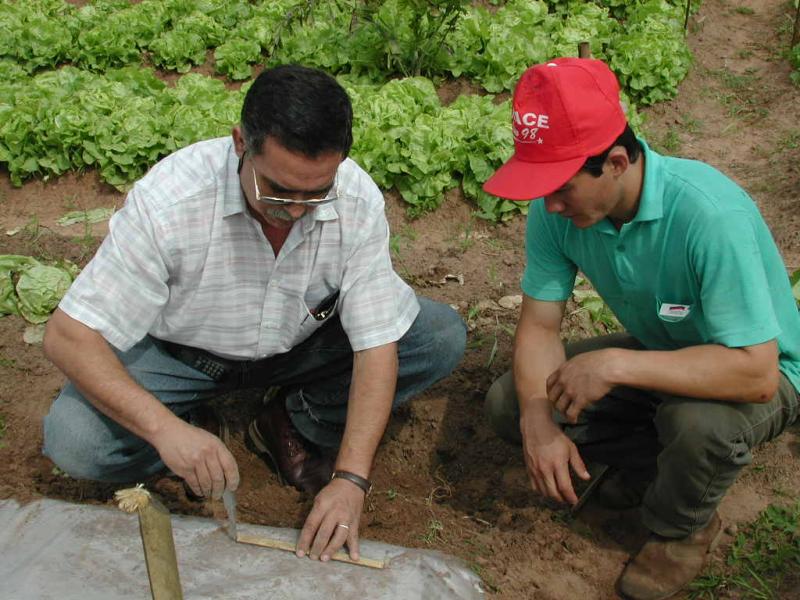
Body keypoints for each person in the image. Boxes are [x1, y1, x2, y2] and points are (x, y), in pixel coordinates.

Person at [42, 64, 466, 565]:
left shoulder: (355, 200)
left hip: (298, 347)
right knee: (78, 442)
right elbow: (67, 335)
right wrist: (165, 430)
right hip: (180, 355)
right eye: (279, 190)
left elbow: (375, 345)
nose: (297, 210)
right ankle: (189, 420)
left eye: (316, 192)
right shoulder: (172, 201)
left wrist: (351, 480)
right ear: (241, 142)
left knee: (436, 336)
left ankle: (291, 419)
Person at [482, 57, 800, 600]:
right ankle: (656, 466)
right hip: (664, 349)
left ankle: (682, 529)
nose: (550, 205)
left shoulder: (708, 215)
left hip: (763, 368)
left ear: (616, 162)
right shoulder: (557, 211)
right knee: (512, 401)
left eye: (561, 187)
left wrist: (615, 364)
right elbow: (539, 328)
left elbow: (757, 374)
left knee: (696, 423)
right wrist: (539, 421)